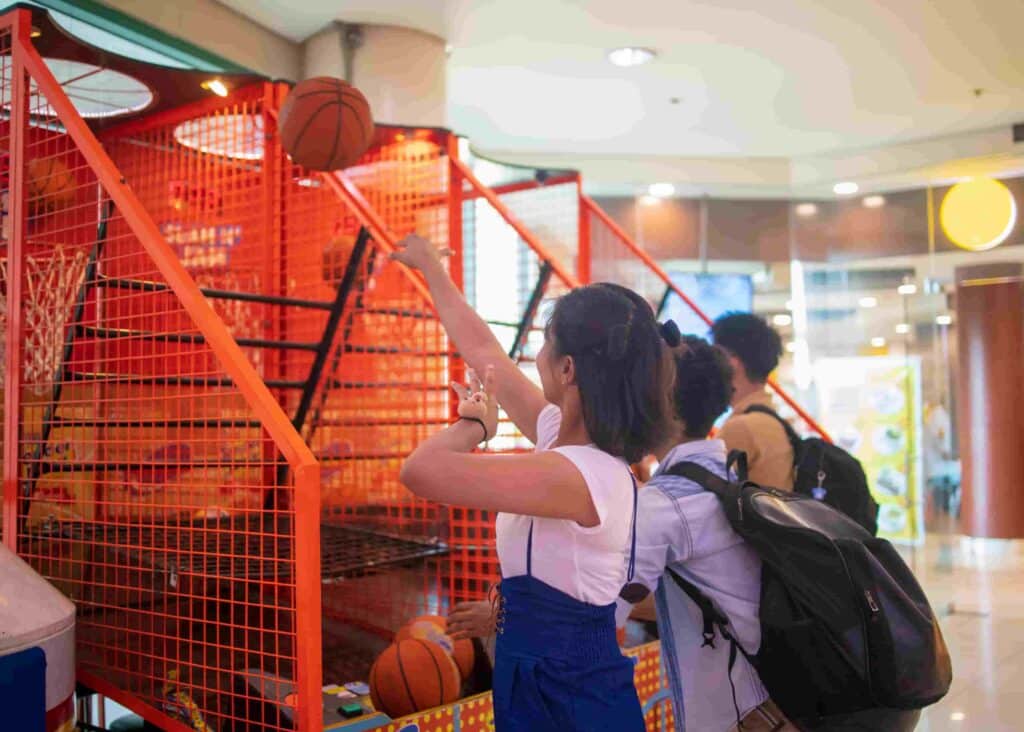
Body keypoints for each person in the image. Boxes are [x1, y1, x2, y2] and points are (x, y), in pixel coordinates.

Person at [392, 233, 674, 732]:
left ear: (567, 369)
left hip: (572, 694)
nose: (536, 354)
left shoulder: (580, 474)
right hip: (536, 676)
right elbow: (484, 352)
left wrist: (474, 427)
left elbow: (421, 471)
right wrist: (432, 269)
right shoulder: (559, 442)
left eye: (545, 343)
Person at [616, 334, 797, 732]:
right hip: (774, 704)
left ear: (665, 406)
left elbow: (604, 607)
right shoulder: (726, 475)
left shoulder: (667, 503)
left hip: (733, 717)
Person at [711, 312, 794, 490]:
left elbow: (699, 496)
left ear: (732, 362)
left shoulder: (742, 427)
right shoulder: (771, 420)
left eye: (715, 356)